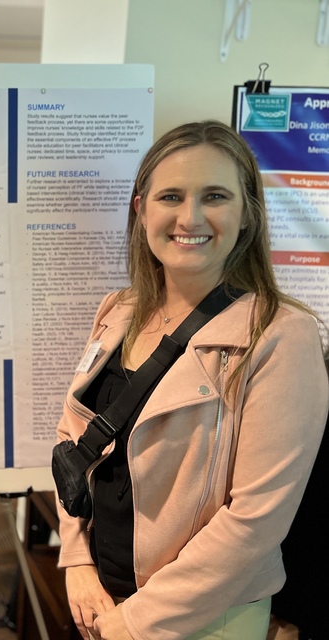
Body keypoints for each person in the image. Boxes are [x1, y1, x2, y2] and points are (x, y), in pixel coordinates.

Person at [53, 120, 329, 640]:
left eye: (215, 196)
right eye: (171, 196)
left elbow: (256, 520)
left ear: (247, 214)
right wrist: (77, 561)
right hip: (100, 596)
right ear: (142, 210)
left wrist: (136, 622)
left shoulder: (280, 336)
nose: (190, 217)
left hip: (203, 618)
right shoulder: (117, 310)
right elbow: (73, 441)